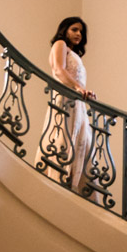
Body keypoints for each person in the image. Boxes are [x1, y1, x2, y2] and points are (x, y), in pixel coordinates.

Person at [43, 16, 96, 197]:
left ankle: (76, 184)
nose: (79, 34)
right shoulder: (60, 44)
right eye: (74, 29)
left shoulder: (75, 54)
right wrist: (78, 87)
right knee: (64, 140)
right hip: (66, 100)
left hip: (77, 104)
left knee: (83, 144)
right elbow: (59, 69)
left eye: (81, 31)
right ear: (64, 30)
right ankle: (59, 182)